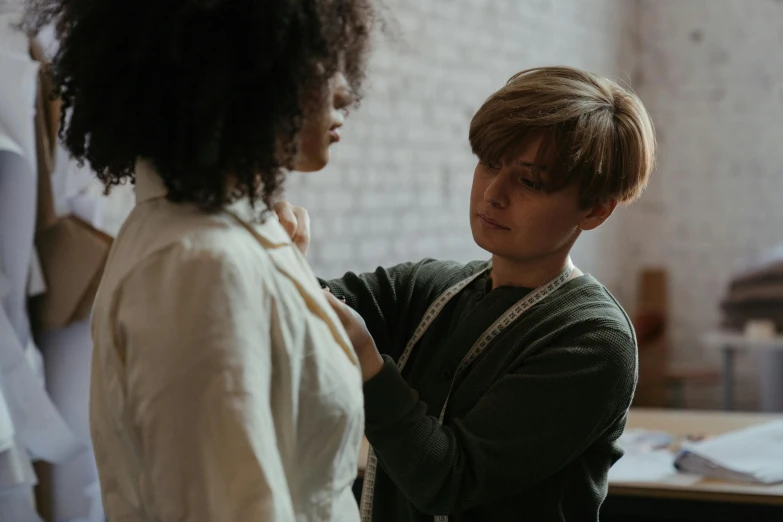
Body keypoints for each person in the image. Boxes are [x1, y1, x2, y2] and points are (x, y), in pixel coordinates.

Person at [23, 1, 376, 521]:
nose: (346, 88)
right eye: (320, 58)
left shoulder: (214, 244)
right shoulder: (199, 268)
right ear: (236, 72)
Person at [276, 66, 657, 521]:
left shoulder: (594, 339)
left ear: (595, 209)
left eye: (531, 181)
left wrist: (366, 363)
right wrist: (283, 261)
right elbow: (296, 314)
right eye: (490, 164)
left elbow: (450, 480)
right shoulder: (430, 288)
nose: (493, 194)